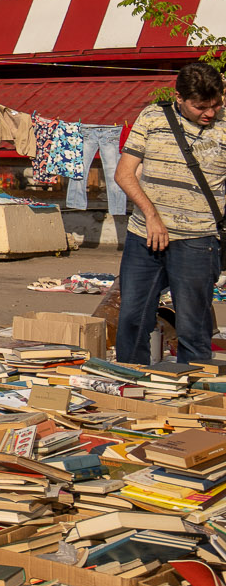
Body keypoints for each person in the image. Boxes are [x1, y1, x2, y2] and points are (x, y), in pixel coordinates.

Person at [114, 62, 226, 363]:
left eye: (216, 104)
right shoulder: (152, 116)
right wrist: (151, 216)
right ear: (179, 98)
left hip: (198, 241)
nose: (210, 113)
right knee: (132, 319)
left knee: (193, 327)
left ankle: (194, 397)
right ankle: (129, 385)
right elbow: (124, 173)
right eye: (201, 107)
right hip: (144, 237)